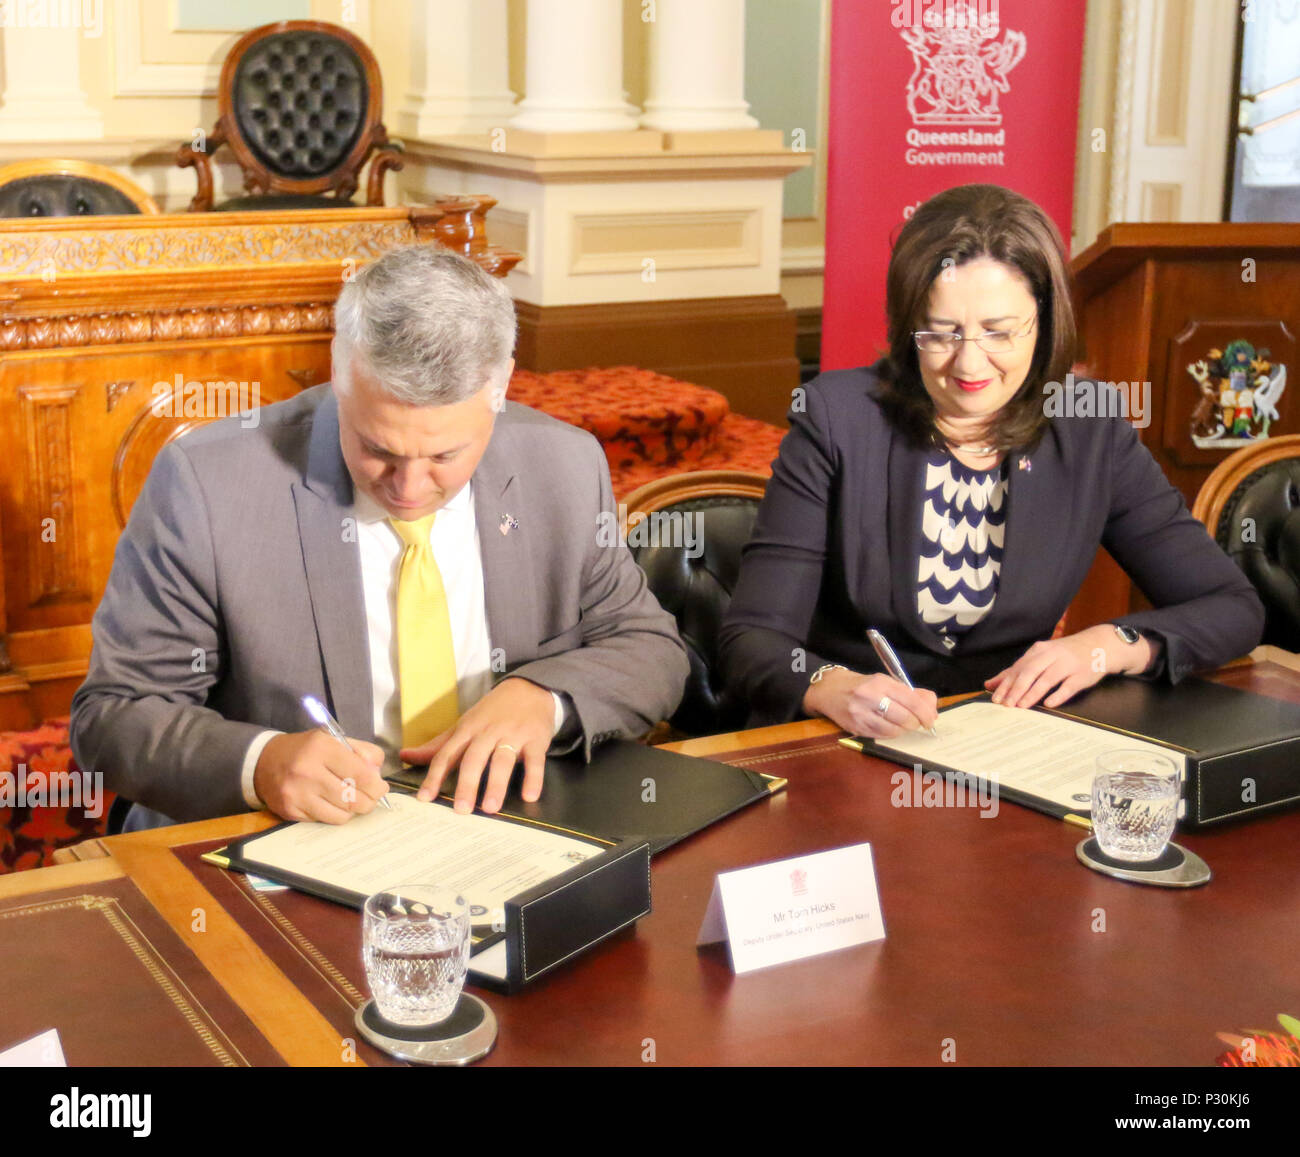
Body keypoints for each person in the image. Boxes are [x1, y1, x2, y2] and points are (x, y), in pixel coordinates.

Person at [71, 246, 688, 826]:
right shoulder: (209, 482)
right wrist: (260, 764)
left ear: (500, 389)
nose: (409, 487)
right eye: (377, 450)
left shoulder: (564, 465)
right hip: (275, 844)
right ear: (338, 371)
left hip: (498, 830)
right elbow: (114, 716)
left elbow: (650, 649)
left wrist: (544, 698)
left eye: (445, 455)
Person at [719, 183, 1264, 738]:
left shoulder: (1087, 426)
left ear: (1045, 324)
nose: (970, 361)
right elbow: (752, 640)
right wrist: (829, 685)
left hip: (1011, 743)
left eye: (999, 332)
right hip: (846, 743)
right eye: (942, 333)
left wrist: (1110, 645)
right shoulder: (837, 419)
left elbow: (1231, 606)